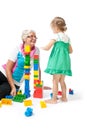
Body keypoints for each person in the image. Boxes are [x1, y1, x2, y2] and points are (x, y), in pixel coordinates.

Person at [0, 29, 41, 100]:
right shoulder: (17, 49)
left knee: (2, 91)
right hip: (4, 74)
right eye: (31, 36)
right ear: (24, 39)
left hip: (15, 82)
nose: (34, 38)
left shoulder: (36, 51)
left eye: (35, 37)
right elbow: (8, 68)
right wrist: (13, 87)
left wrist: (39, 85)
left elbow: (37, 68)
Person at [41, 17, 73, 104]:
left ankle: (54, 99)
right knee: (62, 80)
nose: (52, 30)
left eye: (52, 28)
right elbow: (71, 51)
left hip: (57, 62)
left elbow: (47, 48)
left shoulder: (56, 36)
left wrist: (41, 47)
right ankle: (64, 97)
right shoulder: (67, 38)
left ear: (56, 28)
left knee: (55, 80)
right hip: (65, 63)